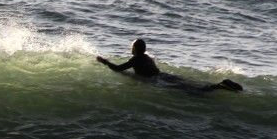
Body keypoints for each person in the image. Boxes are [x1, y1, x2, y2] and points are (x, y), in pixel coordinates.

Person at [96, 38, 242, 92]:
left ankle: (220, 85)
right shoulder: (146, 57)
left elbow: (118, 69)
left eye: (132, 46)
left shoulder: (136, 59)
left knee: (192, 91)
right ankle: (219, 85)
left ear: (135, 49)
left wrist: (105, 61)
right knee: (191, 85)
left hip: (159, 80)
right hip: (164, 75)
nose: (130, 48)